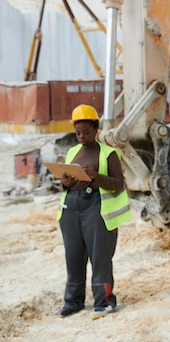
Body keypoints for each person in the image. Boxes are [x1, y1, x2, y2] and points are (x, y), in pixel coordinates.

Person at [56, 104, 132, 319]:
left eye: (86, 132)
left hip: (96, 209)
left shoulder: (109, 154)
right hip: (71, 208)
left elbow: (118, 183)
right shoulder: (72, 152)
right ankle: (73, 302)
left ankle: (104, 301)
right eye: (77, 132)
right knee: (73, 257)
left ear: (96, 129)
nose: (81, 136)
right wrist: (65, 182)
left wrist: (95, 177)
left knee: (100, 258)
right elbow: (65, 184)